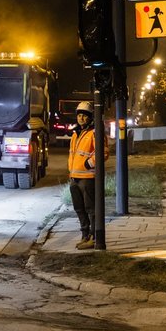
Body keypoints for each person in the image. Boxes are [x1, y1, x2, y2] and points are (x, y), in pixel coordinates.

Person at [69, 101, 109, 250]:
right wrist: (70, 171)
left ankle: (93, 237)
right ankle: (84, 235)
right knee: (79, 209)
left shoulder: (94, 132)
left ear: (90, 117)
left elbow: (103, 153)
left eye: (84, 116)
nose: (81, 118)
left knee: (91, 209)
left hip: (88, 178)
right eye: (79, 115)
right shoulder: (76, 134)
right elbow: (72, 155)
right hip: (75, 178)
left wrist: (89, 164)